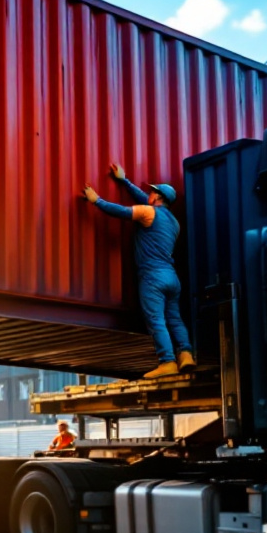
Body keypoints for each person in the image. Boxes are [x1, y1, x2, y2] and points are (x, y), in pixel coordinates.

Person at [83, 162, 196, 379]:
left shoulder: (148, 212)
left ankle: (167, 362)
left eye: (151, 193)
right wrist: (124, 180)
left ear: (157, 197)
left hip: (152, 276)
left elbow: (121, 211)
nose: (148, 195)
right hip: (172, 278)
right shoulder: (174, 223)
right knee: (175, 318)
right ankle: (186, 354)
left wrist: (96, 200)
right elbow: (143, 200)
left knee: (156, 319)